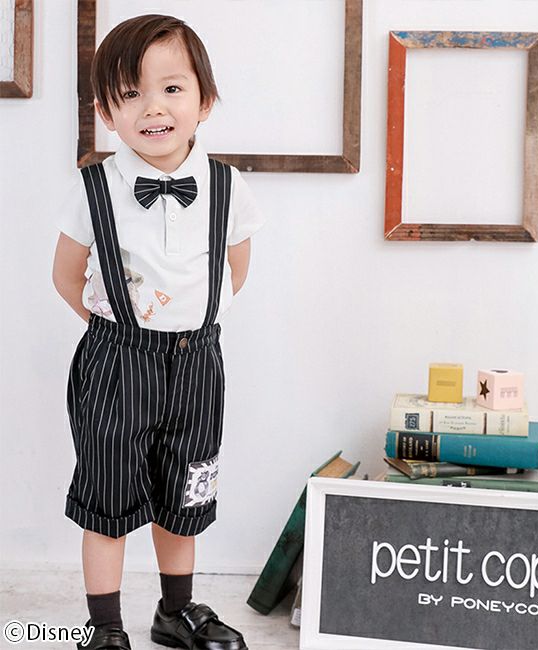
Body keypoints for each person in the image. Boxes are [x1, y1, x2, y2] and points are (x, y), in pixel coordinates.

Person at [52, 13, 265, 650]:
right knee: (108, 494)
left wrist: (186, 325)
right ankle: (104, 627)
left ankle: (176, 612)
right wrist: (117, 329)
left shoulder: (228, 187)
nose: (153, 107)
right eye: (130, 93)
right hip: (117, 360)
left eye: (172, 88)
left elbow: (235, 271)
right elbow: (66, 276)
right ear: (105, 112)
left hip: (198, 362)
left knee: (185, 491)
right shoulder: (93, 188)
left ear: (205, 101)